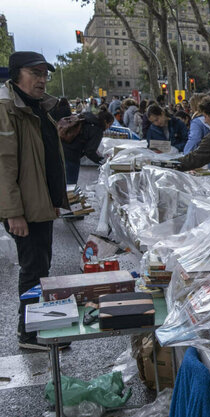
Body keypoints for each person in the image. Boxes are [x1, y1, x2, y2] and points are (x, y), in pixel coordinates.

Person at [0, 52, 68, 351]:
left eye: (45, 74)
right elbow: (4, 165)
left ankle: (39, 327)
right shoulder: (7, 108)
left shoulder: (37, 107)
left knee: (41, 265)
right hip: (23, 208)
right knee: (33, 268)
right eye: (35, 73)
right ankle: (29, 334)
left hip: (39, 203)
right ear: (16, 75)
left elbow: (47, 158)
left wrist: (53, 200)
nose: (42, 80)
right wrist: (13, 212)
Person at [64, 110, 114, 184]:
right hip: (72, 154)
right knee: (71, 183)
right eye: (109, 125)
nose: (108, 127)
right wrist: (102, 160)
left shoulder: (87, 118)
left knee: (64, 181)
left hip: (63, 148)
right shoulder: (97, 129)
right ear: (105, 121)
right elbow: (89, 151)